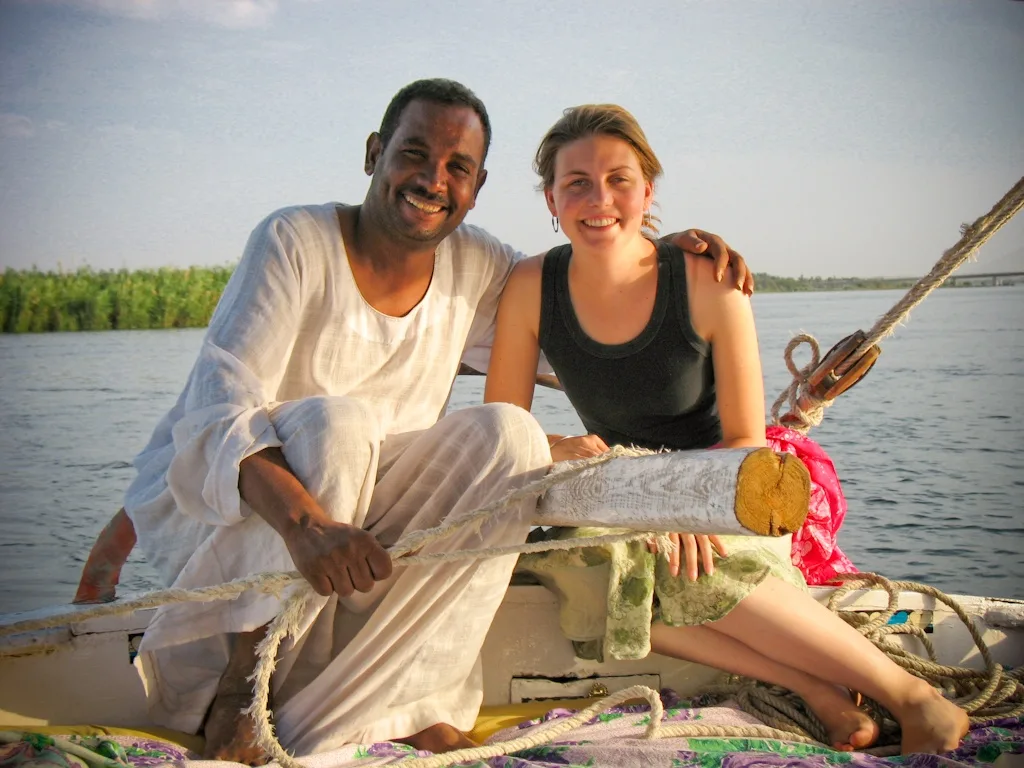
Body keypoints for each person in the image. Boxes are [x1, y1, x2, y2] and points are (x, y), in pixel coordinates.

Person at [74, 80, 754, 764]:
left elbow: (593, 311)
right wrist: (307, 526)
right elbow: (219, 409)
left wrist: (666, 262)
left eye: (457, 167)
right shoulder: (294, 240)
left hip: (368, 514)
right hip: (255, 509)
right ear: (375, 153)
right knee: (340, 427)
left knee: (509, 436)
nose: (433, 180)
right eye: (414, 154)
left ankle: (403, 701)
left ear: (478, 185)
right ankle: (241, 692)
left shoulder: (480, 266)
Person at [483, 104, 970, 755]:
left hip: (727, 497)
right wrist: (565, 453)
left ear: (648, 190)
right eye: (576, 183)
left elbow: (747, 441)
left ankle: (916, 698)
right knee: (575, 564)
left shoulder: (710, 282)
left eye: (618, 179)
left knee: (681, 567)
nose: (598, 199)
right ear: (551, 198)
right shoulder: (529, 285)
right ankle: (819, 692)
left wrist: (686, 508)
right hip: (619, 503)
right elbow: (504, 427)